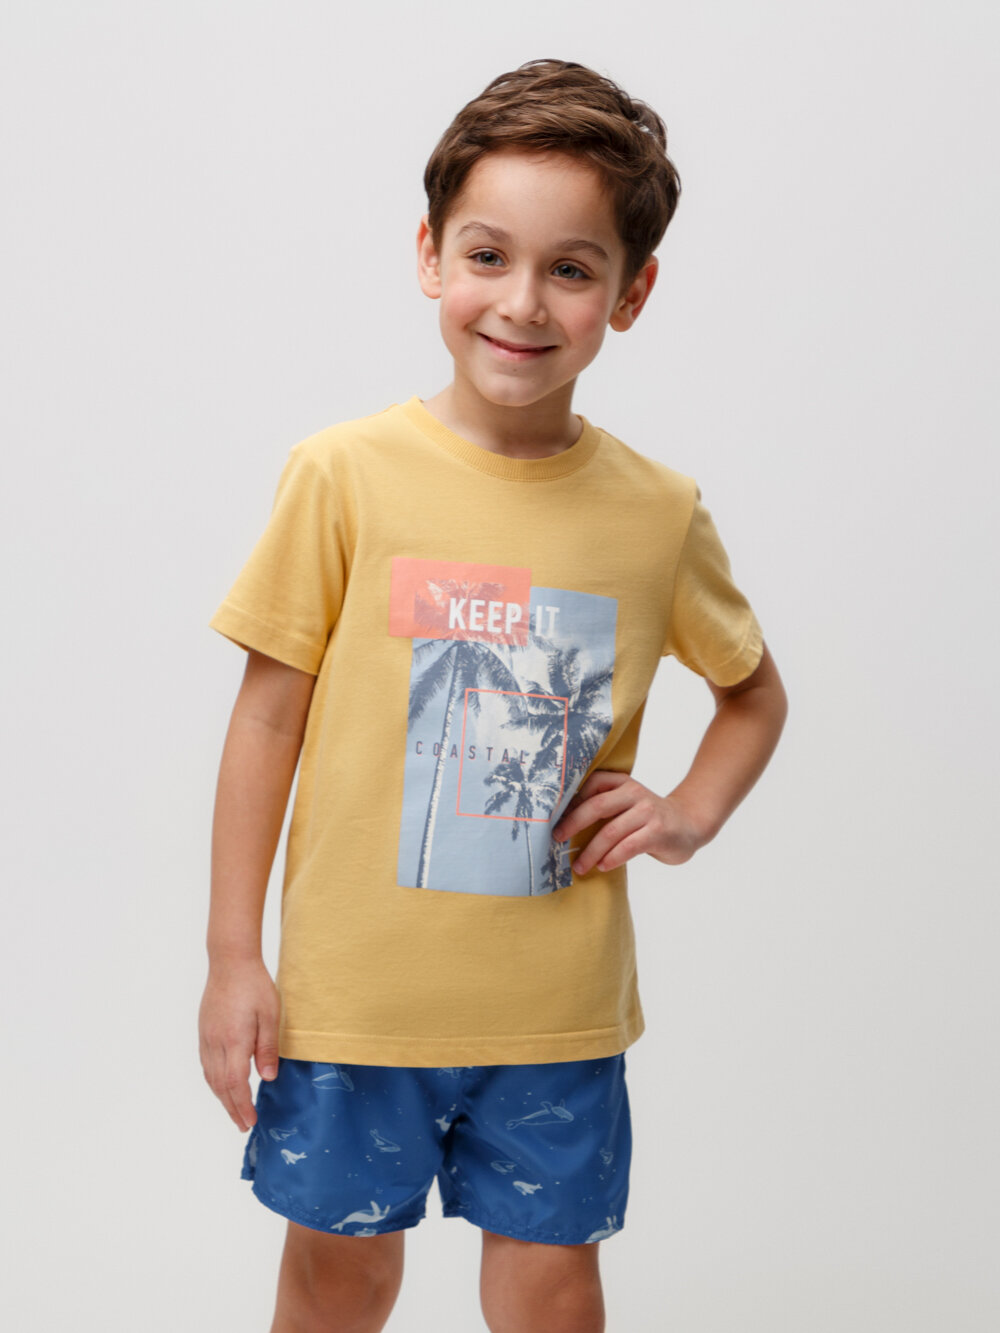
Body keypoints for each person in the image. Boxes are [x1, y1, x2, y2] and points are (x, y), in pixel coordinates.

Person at [199, 57, 788, 1333]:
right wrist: (233, 956)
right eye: (487, 255)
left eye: (570, 268)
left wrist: (686, 813)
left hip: (555, 1013)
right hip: (353, 1007)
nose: (521, 302)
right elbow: (266, 719)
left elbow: (752, 696)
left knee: (551, 1288)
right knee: (338, 1275)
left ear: (630, 293)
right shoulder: (342, 475)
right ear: (430, 256)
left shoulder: (656, 514)